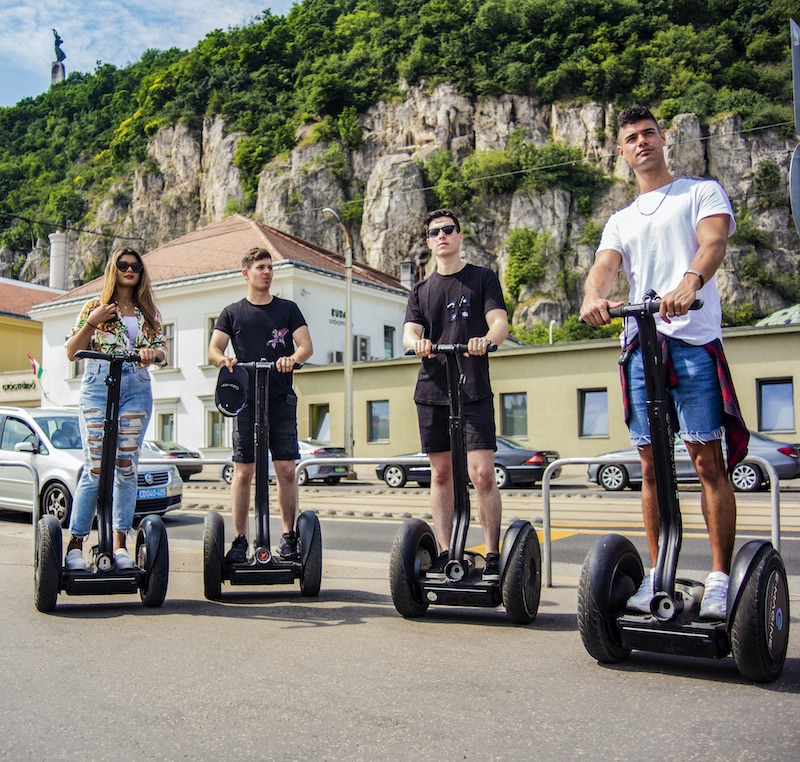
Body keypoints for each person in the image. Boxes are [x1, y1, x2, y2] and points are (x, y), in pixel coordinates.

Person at [580, 105, 749, 619]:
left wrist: (689, 283)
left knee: (706, 462)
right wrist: (594, 297)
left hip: (692, 341)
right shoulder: (620, 219)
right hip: (641, 347)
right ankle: (658, 570)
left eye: (648, 133)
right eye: (630, 137)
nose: (641, 142)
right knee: (650, 468)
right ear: (621, 151)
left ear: (661, 139)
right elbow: (604, 270)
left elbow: (713, 241)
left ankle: (719, 577)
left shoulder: (700, 191)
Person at [403, 209, 509, 581]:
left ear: (460, 236)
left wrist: (486, 340)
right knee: (442, 473)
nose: (442, 236)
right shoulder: (420, 290)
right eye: (435, 232)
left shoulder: (482, 278)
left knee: (481, 474)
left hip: (473, 387)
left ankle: (493, 554)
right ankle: (447, 552)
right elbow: (409, 333)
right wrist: (418, 344)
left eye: (448, 230)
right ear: (429, 242)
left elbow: (499, 322)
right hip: (432, 389)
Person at [64, 247, 167, 571]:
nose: (130, 270)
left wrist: (153, 354)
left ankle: (120, 543)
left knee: (125, 466)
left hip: (136, 387)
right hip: (98, 386)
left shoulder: (147, 311)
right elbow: (72, 351)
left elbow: (163, 349)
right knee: (95, 467)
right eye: (123, 265)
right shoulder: (94, 307)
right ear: (114, 269)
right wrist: (92, 324)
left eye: (135, 266)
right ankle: (76, 544)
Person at [208, 247, 313, 563]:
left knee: (285, 469)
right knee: (244, 472)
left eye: (270, 268)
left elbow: (305, 346)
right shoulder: (232, 312)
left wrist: (291, 359)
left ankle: (288, 538)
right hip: (246, 402)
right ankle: (239, 540)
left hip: (280, 398)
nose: (267, 272)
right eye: (260, 267)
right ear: (246, 273)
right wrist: (225, 359)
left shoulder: (288, 309)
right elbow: (214, 348)